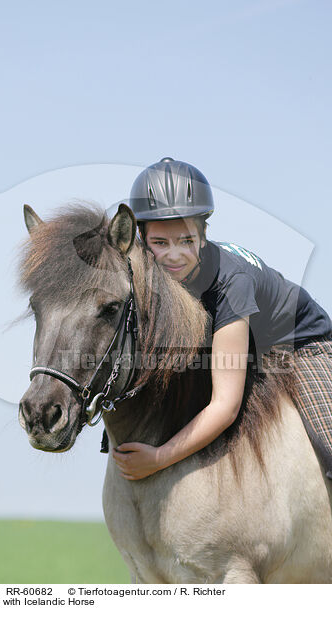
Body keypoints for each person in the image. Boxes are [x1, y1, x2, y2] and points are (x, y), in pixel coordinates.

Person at [112, 157, 332, 481]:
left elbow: (225, 406)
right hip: (249, 347)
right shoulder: (149, 277)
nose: (174, 255)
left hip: (303, 344)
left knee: (329, 443)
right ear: (142, 241)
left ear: (203, 235)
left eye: (186, 240)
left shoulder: (231, 283)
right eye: (160, 242)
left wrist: (159, 458)